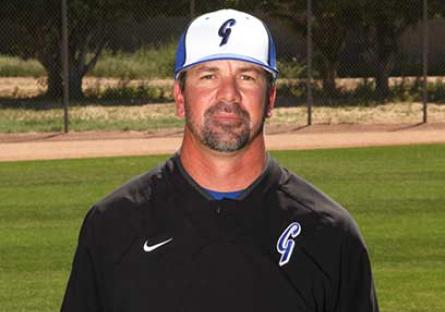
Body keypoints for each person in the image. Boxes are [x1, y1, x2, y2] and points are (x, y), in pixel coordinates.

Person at [60, 9, 379, 312]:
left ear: (270, 98)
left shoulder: (330, 234)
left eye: (247, 77)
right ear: (180, 97)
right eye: (209, 76)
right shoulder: (113, 225)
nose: (229, 95)